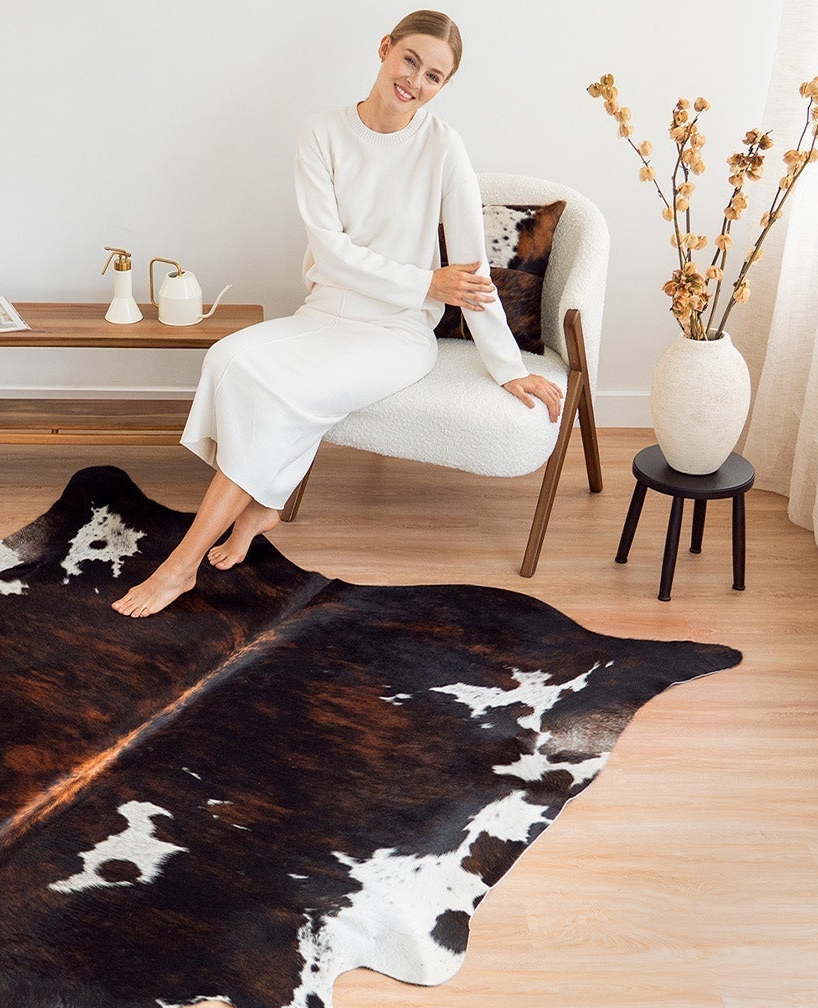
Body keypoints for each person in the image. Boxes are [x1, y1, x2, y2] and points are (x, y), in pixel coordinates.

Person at [112, 9, 564, 618]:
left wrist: (506, 365)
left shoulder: (443, 147)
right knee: (229, 360)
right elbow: (332, 250)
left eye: (433, 76)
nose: (415, 82)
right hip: (326, 311)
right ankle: (263, 506)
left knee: (279, 392)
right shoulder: (321, 133)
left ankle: (180, 565)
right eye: (410, 61)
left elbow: (470, 272)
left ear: (442, 87)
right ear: (385, 49)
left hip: (397, 331)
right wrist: (424, 277)